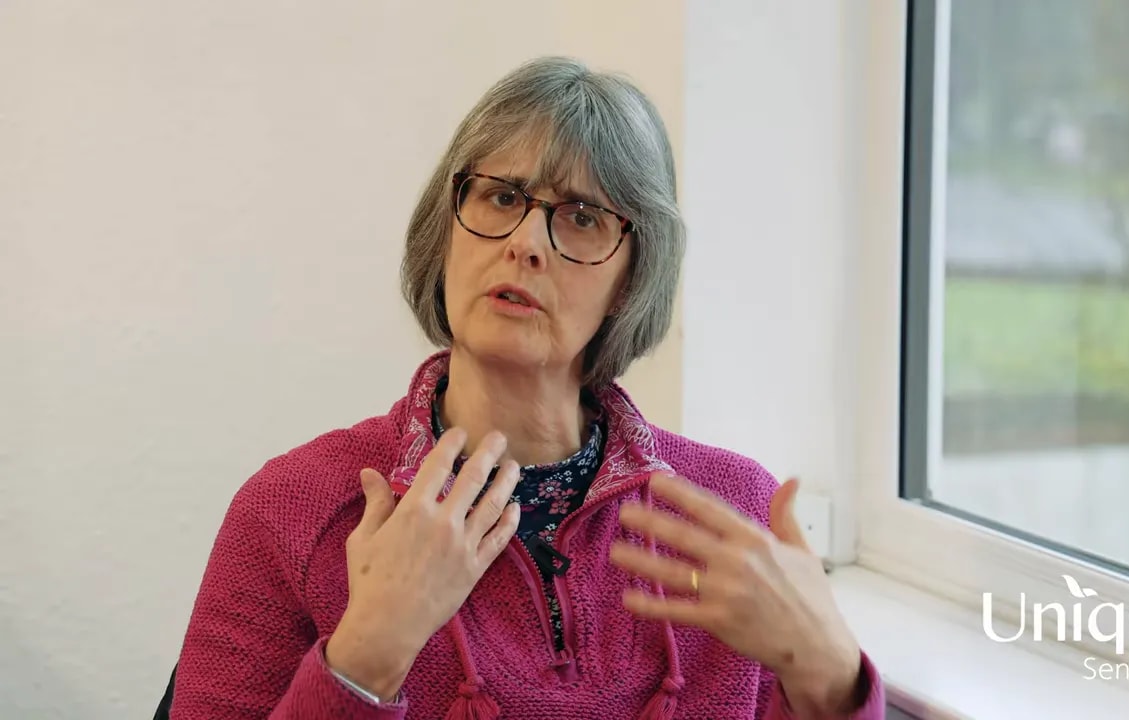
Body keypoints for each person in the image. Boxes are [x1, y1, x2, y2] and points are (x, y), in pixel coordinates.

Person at [168, 56, 885, 720]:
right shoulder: (292, 511)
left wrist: (831, 675)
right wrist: (368, 655)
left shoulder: (733, 514)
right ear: (443, 233)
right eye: (501, 196)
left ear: (631, 281)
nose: (527, 242)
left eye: (581, 216)